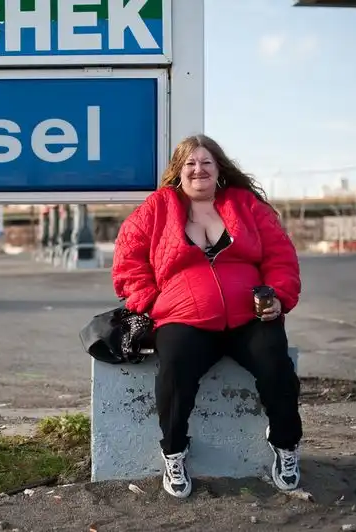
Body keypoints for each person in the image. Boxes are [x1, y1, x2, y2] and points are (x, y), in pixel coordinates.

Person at [111, 134, 303, 498]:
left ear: (219, 169)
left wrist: (278, 297)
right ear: (178, 170)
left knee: (275, 363)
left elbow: (281, 257)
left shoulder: (246, 205)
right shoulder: (156, 209)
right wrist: (152, 303)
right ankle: (174, 451)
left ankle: (285, 444)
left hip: (249, 317)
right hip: (184, 318)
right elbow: (128, 262)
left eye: (206, 163)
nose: (198, 169)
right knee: (174, 370)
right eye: (190, 163)